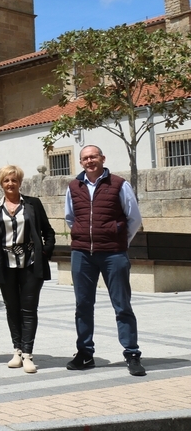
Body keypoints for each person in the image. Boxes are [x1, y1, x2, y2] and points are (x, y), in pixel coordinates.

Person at [64, 145, 145, 376]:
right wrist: (84, 236)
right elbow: (70, 218)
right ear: (81, 162)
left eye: (93, 157)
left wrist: (120, 240)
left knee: (122, 305)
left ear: (102, 158)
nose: (90, 161)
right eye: (85, 158)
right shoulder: (74, 186)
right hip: (82, 253)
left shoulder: (119, 184)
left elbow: (134, 217)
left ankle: (132, 353)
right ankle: (85, 353)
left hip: (113, 254)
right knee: (83, 306)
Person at [0, 165, 55, 374]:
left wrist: (44, 253)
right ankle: (17, 350)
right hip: (5, 265)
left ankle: (28, 354)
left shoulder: (33, 204)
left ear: (20, 182)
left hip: (30, 264)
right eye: (6, 180)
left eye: (14, 180)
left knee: (29, 309)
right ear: (1, 183)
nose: (10, 184)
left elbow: (49, 232)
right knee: (12, 308)